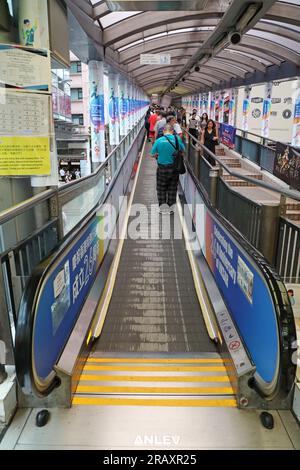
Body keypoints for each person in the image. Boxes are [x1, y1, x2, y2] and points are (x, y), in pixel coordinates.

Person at [151, 124, 185, 214]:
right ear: (172, 131)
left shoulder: (158, 140)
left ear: (163, 131)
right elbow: (183, 149)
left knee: (161, 189)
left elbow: (152, 154)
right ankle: (170, 209)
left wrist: (158, 155)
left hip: (162, 168)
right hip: (174, 168)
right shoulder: (177, 139)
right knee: (172, 188)